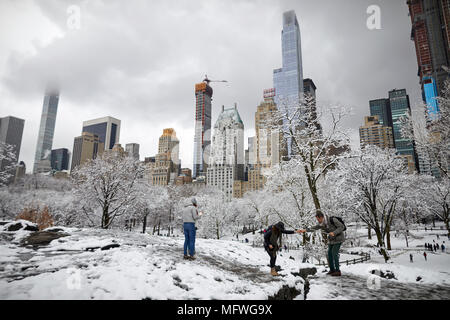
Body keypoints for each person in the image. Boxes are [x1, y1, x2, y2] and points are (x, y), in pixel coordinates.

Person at [299, 210, 346, 277]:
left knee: (334, 253)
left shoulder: (332, 219)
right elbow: (315, 227)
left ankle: (338, 271)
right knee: (329, 253)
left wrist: (334, 232)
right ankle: (332, 270)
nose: (318, 221)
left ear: (321, 217)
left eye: (318, 219)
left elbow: (342, 227)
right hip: (332, 240)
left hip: (339, 238)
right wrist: (305, 230)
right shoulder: (322, 224)